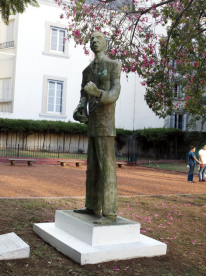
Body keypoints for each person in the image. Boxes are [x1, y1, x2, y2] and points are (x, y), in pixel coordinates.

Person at [72, 32, 122, 224]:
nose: (94, 41)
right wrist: (79, 109)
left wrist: (98, 93)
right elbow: (82, 96)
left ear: (105, 44)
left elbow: (115, 92)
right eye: (91, 39)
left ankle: (109, 213)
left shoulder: (113, 65)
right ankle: (92, 205)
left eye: (98, 38)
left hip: (106, 124)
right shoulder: (86, 71)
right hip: (92, 124)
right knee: (92, 168)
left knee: (107, 168)